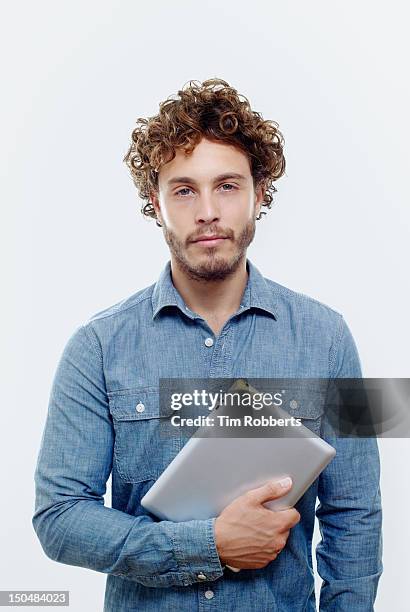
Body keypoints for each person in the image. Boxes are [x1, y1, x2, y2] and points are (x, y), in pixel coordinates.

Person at [32, 78, 383, 611]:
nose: (207, 212)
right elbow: (57, 517)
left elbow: (356, 512)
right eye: (184, 189)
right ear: (156, 203)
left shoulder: (331, 338)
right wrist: (207, 545)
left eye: (227, 185)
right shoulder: (96, 347)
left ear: (258, 194)